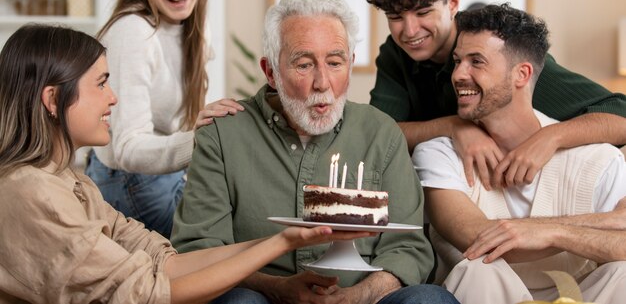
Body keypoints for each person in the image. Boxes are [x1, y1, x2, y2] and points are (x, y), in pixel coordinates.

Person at [0, 23, 375, 304]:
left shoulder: (71, 183)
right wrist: (282, 242)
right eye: (100, 84)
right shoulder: (32, 193)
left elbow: (165, 263)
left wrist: (285, 238)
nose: (113, 98)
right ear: (53, 100)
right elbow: (150, 293)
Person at [171, 0, 459, 304]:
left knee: (429, 300)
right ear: (271, 71)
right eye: (304, 65)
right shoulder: (223, 134)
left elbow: (408, 248)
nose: (322, 82)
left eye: (335, 63)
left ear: (349, 63)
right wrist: (276, 288)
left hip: (364, 301)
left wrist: (356, 296)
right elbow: (201, 250)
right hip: (261, 297)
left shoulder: (381, 133)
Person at [364, 0, 626, 190]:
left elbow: (621, 114)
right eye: (395, 16)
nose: (409, 31)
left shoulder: (499, 45)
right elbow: (380, 133)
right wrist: (455, 126)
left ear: (453, 3)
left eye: (423, 13)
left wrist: (552, 137)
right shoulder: (395, 53)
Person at [412, 4, 626, 303]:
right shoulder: (439, 154)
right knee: (477, 268)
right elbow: (477, 237)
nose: (458, 74)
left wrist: (553, 233)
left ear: (521, 74)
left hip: (582, 297)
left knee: (623, 274)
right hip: (490, 293)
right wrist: (607, 222)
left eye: (477, 62)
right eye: (458, 61)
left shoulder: (599, 159)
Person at [85, 0, 243, 237]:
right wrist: (202, 140)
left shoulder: (192, 26)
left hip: (166, 176)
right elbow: (127, 147)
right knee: (230, 244)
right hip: (130, 182)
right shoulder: (133, 33)